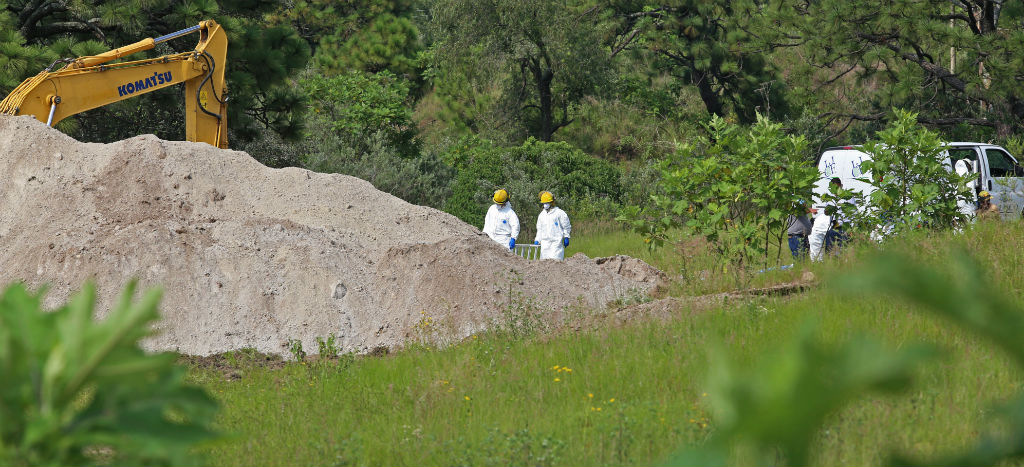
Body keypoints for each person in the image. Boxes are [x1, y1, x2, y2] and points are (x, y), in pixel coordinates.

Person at [533, 191, 572, 260]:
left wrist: (566, 236)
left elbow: (566, 226)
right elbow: (539, 229)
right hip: (544, 244)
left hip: (556, 244)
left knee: (556, 264)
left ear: (552, 202)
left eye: (547, 203)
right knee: (544, 265)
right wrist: (537, 240)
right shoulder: (542, 215)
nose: (545, 205)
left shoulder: (559, 213)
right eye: (544, 203)